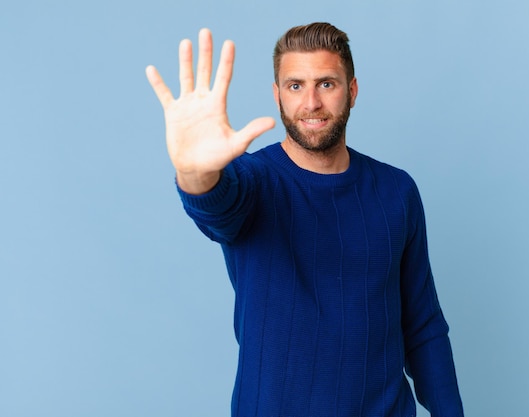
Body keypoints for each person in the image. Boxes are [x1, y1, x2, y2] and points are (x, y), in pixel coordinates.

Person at [146, 22, 464, 417]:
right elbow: (217, 208)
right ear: (277, 94)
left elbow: (423, 327)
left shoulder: (397, 191)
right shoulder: (253, 181)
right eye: (295, 86)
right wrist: (194, 173)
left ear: (352, 91)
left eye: (326, 84)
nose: (311, 102)